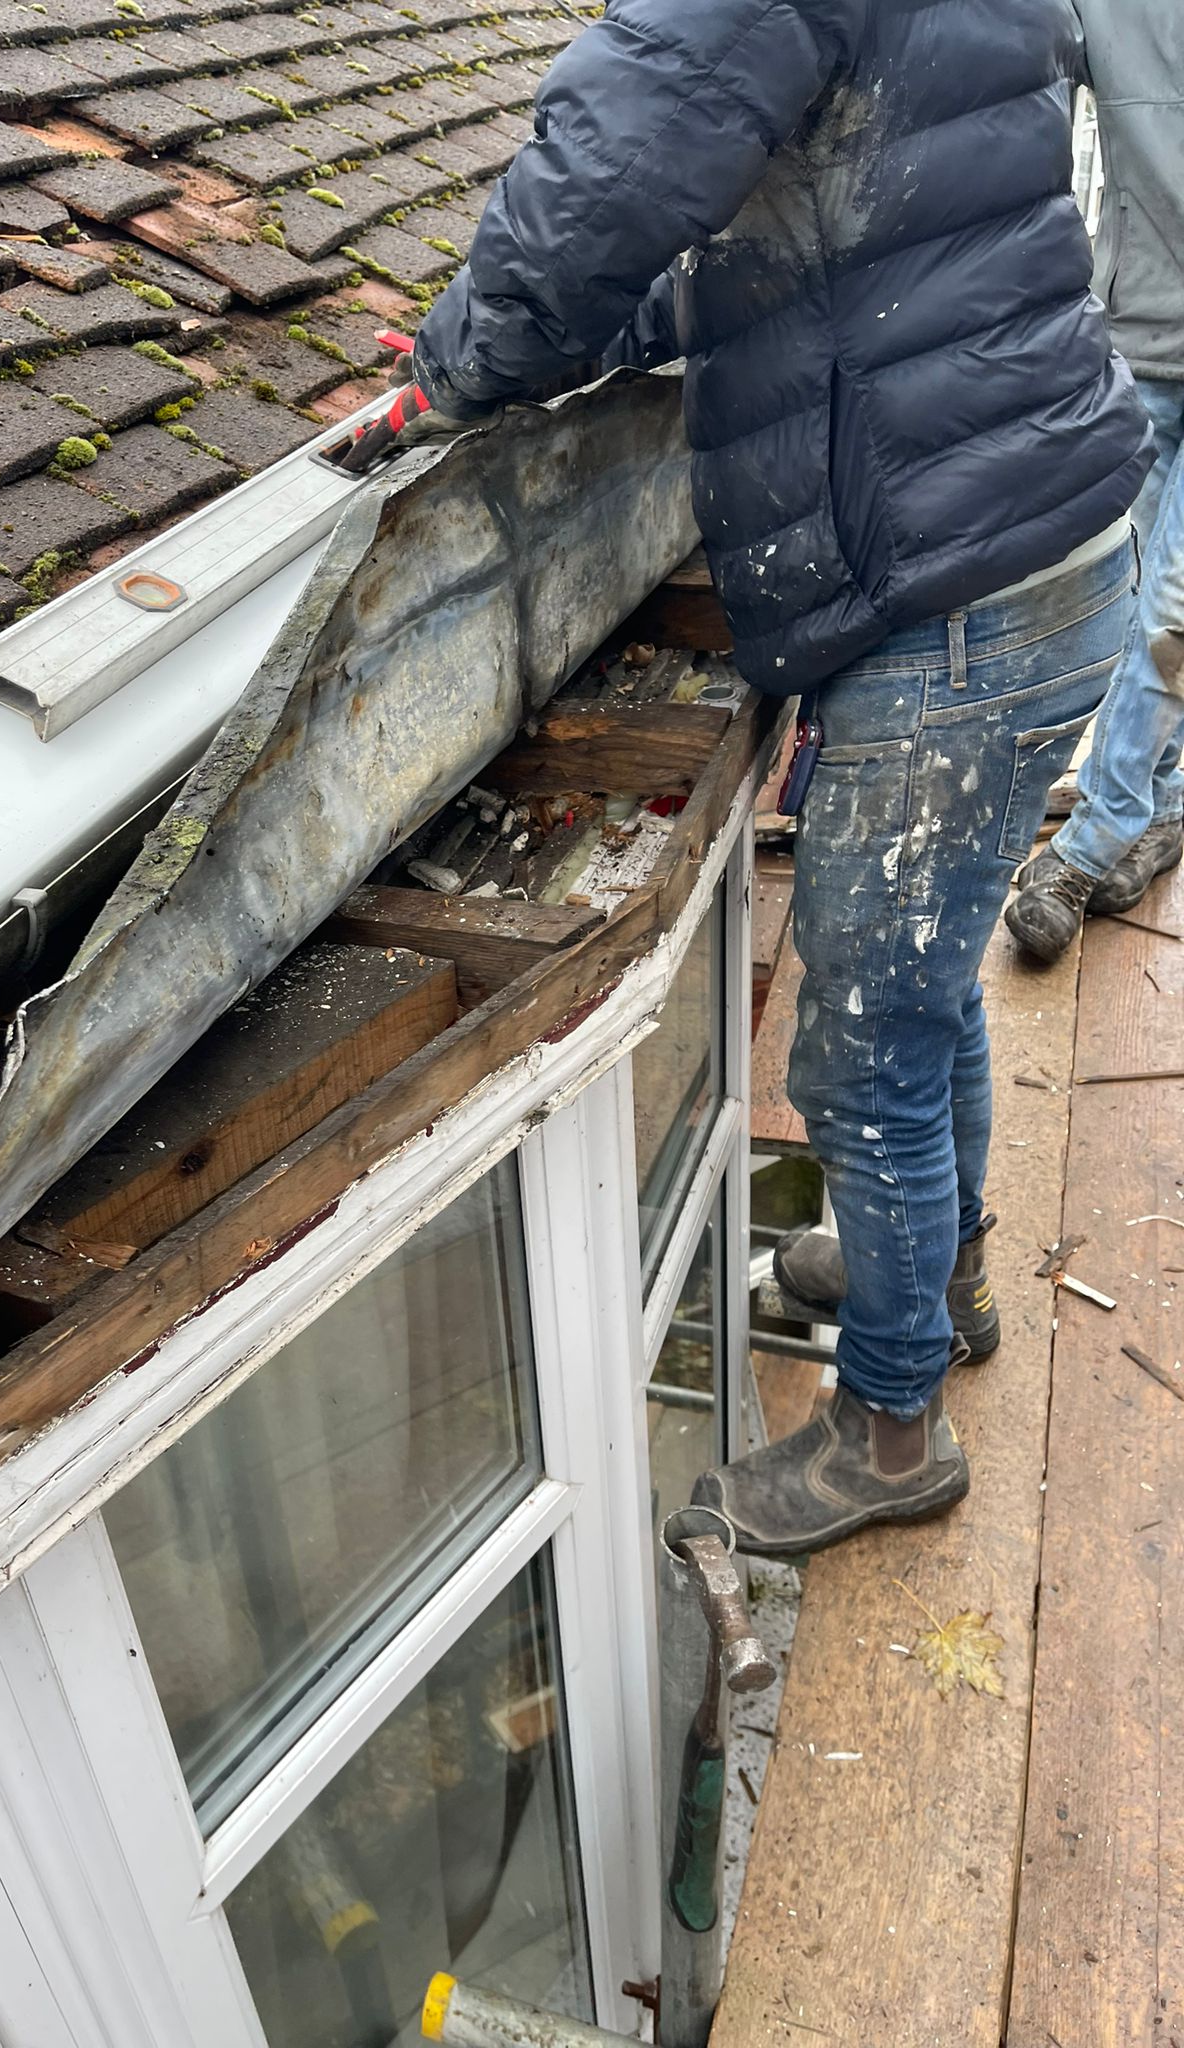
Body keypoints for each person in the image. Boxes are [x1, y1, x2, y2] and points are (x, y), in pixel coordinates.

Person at [346, 0, 1151, 1556]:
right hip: (1029, 551)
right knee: (919, 997)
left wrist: (460, 371)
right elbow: (811, 232)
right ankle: (942, 1271)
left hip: (958, 594)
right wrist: (628, 330)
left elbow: (610, 176)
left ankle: (890, 1426)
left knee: (861, 1046)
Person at [1005, 0, 1184, 962]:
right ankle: (1162, 805)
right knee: (1131, 593)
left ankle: (1091, 844)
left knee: (1173, 611)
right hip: (1145, 346)